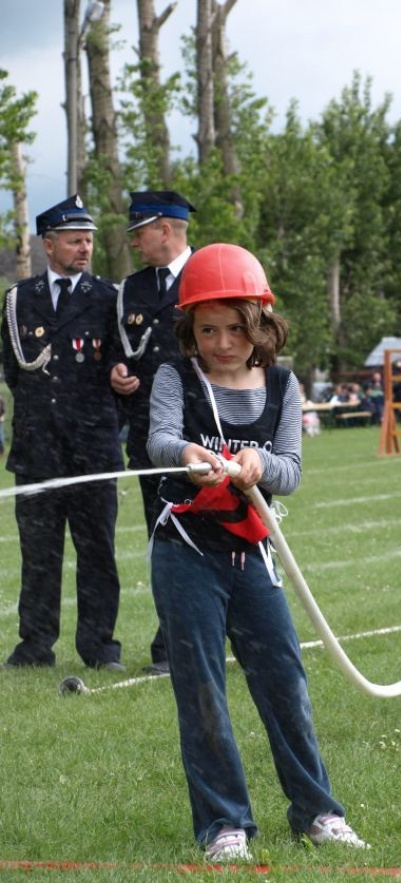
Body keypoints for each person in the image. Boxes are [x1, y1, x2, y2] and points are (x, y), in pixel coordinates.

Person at [145, 243, 369, 861]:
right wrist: (190, 456)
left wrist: (256, 463)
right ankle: (224, 824)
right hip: (185, 552)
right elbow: (160, 437)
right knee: (202, 689)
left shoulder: (283, 384)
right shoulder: (175, 377)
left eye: (236, 329)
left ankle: (317, 812)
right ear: (189, 328)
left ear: (262, 324)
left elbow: (290, 471)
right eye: (208, 329)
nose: (221, 342)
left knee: (284, 682)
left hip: (255, 555)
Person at [1, 196, 124, 670]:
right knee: (38, 554)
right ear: (48, 245)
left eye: (89, 241)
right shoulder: (18, 299)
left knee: (97, 553)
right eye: (75, 241)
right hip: (36, 450)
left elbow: (117, 363)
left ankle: (99, 647)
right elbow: (14, 369)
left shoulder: (108, 297)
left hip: (92, 449)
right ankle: (34, 645)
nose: (85, 249)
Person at [110, 190, 196, 676]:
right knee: (163, 537)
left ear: (165, 229)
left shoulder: (211, 271)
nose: (135, 242)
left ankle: (243, 636)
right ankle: (172, 645)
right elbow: (118, 352)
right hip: (150, 435)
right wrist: (117, 372)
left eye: (140, 232)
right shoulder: (132, 289)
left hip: (208, 430)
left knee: (225, 536)